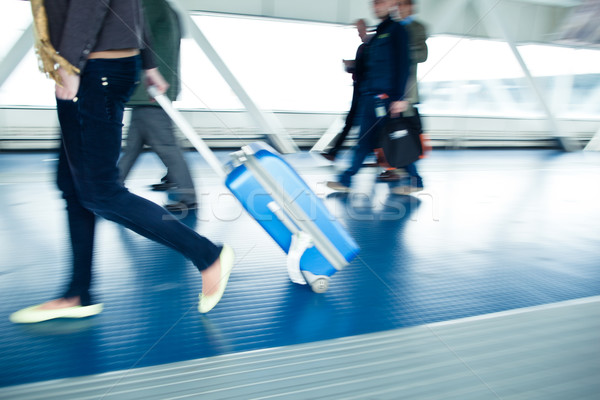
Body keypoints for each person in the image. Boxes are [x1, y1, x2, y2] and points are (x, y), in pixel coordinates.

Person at [10, 0, 234, 323]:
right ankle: (78, 293)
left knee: (101, 193)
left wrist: (70, 64)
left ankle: (208, 255)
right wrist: (149, 63)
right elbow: (132, 8)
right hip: (99, 67)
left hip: (93, 70)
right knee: (73, 185)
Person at [118, 0, 197, 213]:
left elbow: (135, 34)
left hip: (150, 92)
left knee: (166, 147)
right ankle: (113, 187)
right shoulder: (169, 9)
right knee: (133, 145)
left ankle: (189, 197)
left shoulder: (151, 4)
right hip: (156, 90)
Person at [326, 0, 411, 193]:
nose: (376, 7)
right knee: (363, 142)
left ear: (391, 4)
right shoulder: (380, 31)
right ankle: (345, 180)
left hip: (386, 98)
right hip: (370, 97)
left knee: (395, 142)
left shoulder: (397, 30)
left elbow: (403, 64)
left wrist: (399, 97)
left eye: (380, 3)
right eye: (374, 3)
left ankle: (416, 180)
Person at [386, 0, 428, 193]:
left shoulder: (417, 28)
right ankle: (396, 169)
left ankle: (414, 179)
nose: (399, 8)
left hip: (405, 92)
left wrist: (400, 48)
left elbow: (421, 54)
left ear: (410, 7)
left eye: (403, 4)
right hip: (389, 90)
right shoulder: (392, 26)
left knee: (403, 135)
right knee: (390, 133)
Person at [321, 19, 371, 161]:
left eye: (360, 30)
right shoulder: (362, 47)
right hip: (359, 89)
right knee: (351, 122)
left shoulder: (371, 45)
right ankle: (334, 152)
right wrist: (351, 65)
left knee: (361, 124)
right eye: (357, 30)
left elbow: (369, 67)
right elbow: (361, 67)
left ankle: (337, 152)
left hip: (365, 91)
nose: (359, 33)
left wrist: (353, 65)